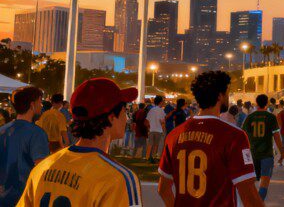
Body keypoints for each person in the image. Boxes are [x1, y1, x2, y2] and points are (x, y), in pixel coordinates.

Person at [19, 78, 142, 206]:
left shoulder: (43, 167)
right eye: (124, 110)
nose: (126, 117)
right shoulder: (117, 178)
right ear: (111, 117)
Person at [158, 71, 264, 207]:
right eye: (227, 93)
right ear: (220, 96)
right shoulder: (233, 135)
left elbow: (163, 189)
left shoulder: (174, 135)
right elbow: (249, 196)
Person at [0, 86, 49, 206]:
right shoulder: (37, 133)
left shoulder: (2, 130)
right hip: (24, 196)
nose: (41, 105)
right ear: (32, 105)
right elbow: (41, 168)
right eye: (40, 102)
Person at [242, 94, 284, 200]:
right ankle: (259, 202)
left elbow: (243, 136)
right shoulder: (271, 117)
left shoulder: (250, 117)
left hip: (252, 154)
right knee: (265, 181)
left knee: (251, 182)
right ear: (267, 103)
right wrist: (282, 152)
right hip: (266, 154)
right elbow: (276, 137)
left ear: (256, 103)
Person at [145, 95, 166, 163]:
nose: (163, 102)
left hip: (151, 129)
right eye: (163, 101)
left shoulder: (152, 110)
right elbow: (162, 121)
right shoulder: (161, 111)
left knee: (150, 144)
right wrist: (163, 129)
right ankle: (153, 157)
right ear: (160, 102)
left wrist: (149, 127)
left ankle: (147, 157)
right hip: (158, 130)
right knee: (156, 145)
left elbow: (147, 120)